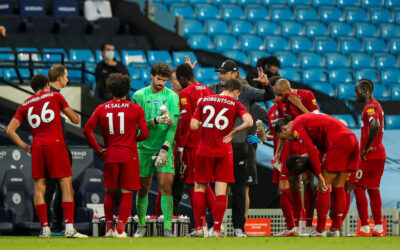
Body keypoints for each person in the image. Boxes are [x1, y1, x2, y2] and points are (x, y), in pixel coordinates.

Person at [6, 74, 87, 238]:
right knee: (65, 185)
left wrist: (25, 147)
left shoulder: (25, 105)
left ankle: (45, 229)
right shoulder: (56, 96)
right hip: (56, 144)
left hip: (37, 147)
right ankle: (70, 229)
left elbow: (9, 131)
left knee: (39, 188)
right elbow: (75, 119)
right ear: (47, 85)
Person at [208, 60, 274, 237]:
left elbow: (268, 96)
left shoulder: (246, 91)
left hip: (238, 146)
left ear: (235, 74)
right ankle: (213, 226)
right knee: (216, 189)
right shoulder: (213, 88)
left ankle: (238, 227)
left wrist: (267, 84)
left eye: (224, 72)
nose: (221, 76)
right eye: (220, 72)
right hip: (216, 144)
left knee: (238, 189)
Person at [83, 73, 149, 238]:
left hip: (110, 154)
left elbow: (87, 130)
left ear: (111, 89)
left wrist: (99, 149)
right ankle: (120, 230)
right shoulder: (136, 109)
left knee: (110, 192)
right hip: (129, 155)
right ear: (128, 90)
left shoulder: (101, 108)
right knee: (127, 193)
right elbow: (145, 134)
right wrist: (134, 139)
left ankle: (110, 229)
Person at [275, 113, 360, 237]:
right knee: (339, 186)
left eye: (283, 137)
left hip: (338, 141)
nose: (286, 140)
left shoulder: (296, 126)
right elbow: (320, 150)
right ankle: (335, 229)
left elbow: (311, 150)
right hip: (351, 139)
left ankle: (320, 230)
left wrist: (320, 176)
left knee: (322, 187)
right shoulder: (306, 123)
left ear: (284, 128)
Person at [189, 78, 253, 237]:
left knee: (199, 187)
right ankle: (216, 230)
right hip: (224, 151)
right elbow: (249, 122)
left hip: (204, 150)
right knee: (221, 192)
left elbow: (193, 125)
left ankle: (198, 228)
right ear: (236, 91)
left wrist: (205, 126)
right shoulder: (236, 104)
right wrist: (234, 132)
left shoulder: (204, 100)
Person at [133, 62, 179, 238]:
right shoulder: (139, 95)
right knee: (143, 188)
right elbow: (137, 126)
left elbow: (173, 126)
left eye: (165, 80)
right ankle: (141, 226)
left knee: (165, 186)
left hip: (163, 148)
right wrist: (155, 121)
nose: (162, 83)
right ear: (151, 75)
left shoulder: (172, 97)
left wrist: (166, 148)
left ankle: (167, 227)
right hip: (143, 148)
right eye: (159, 79)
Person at [273, 78, 320, 236]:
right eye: (277, 95)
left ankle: (308, 224)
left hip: (306, 142)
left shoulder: (307, 95)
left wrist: (300, 106)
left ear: (289, 90)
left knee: (307, 182)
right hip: (290, 144)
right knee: (292, 184)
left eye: (281, 95)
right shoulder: (281, 102)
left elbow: (317, 118)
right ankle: (296, 225)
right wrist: (278, 152)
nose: (278, 99)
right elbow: (282, 129)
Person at [174, 62, 215, 236]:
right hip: (209, 143)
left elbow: (187, 122)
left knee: (194, 184)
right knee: (204, 184)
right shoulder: (208, 91)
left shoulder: (185, 93)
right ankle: (216, 224)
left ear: (182, 78)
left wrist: (181, 147)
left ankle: (201, 226)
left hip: (192, 145)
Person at [350, 79, 386, 237]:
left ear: (365, 90)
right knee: (373, 189)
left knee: (358, 187)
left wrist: (366, 148)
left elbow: (375, 124)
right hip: (379, 154)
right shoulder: (376, 105)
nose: (355, 95)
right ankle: (378, 228)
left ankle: (365, 227)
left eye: (357, 92)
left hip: (370, 155)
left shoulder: (370, 107)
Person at [43, 65, 71, 234]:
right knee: (57, 188)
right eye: (66, 76)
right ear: (59, 78)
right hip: (57, 148)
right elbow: (74, 119)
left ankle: (50, 226)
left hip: (52, 147)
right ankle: (53, 226)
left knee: (53, 188)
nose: (67, 79)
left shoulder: (48, 95)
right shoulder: (53, 96)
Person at [245, 101, 268, 218]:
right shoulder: (229, 105)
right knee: (225, 189)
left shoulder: (257, 108)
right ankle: (220, 225)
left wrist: (261, 138)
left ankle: (240, 225)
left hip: (248, 154)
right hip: (229, 152)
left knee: (245, 190)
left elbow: (276, 126)